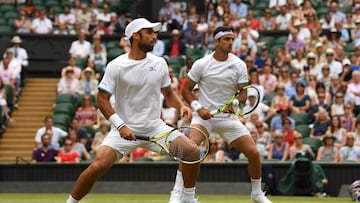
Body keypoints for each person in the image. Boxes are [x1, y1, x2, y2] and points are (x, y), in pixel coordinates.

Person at [66, 18, 199, 203]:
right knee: (96, 166)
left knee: (191, 152)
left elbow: (168, 93)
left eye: (155, 33)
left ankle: (188, 200)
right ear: (135, 36)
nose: (155, 36)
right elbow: (101, 100)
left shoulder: (160, 63)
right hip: (123, 131)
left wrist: (182, 106)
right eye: (150, 32)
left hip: (155, 129)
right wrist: (121, 126)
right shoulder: (116, 66)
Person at [169, 26, 272, 203]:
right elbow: (185, 90)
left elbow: (243, 93)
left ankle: (256, 194)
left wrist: (235, 103)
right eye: (226, 39)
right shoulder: (201, 64)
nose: (231, 42)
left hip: (228, 118)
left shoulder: (239, 64)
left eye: (232, 39)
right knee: (191, 149)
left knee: (254, 153)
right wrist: (198, 107)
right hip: (203, 117)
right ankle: (178, 193)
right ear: (216, 41)